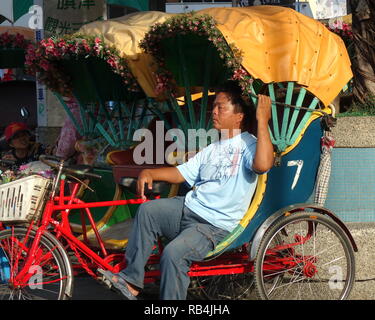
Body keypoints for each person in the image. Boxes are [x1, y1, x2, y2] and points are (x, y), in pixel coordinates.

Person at [99, 83, 274, 300]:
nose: (214, 112)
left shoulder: (249, 144)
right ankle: (131, 280)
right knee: (148, 211)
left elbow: (264, 165)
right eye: (214, 107)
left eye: (221, 107)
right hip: (187, 207)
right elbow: (181, 173)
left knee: (174, 254)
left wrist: (262, 121)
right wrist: (150, 173)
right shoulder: (212, 148)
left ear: (238, 116)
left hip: (212, 225)